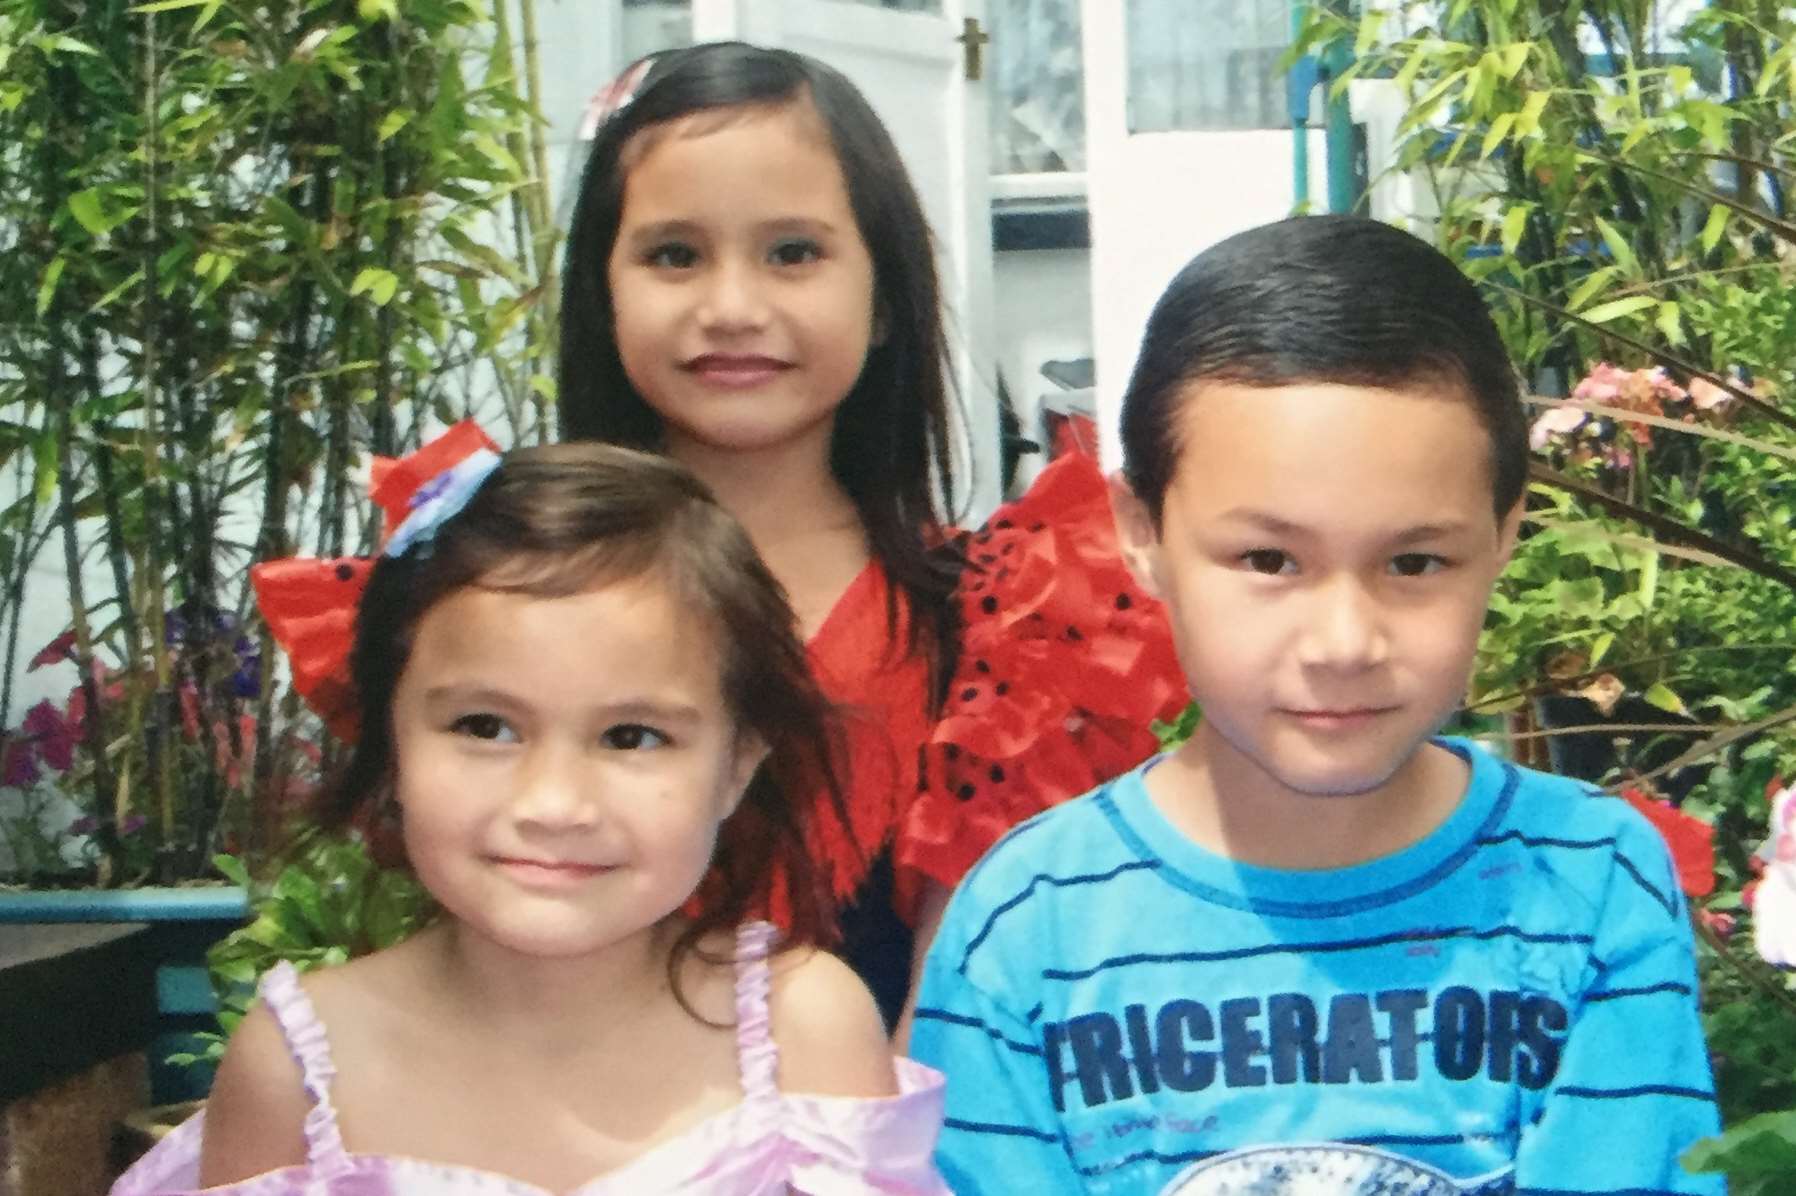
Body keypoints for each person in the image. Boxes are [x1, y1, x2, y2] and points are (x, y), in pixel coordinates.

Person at [908, 216, 1724, 1195]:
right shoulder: (1026, 921)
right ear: (1139, 531)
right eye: (1267, 560)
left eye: (1412, 561)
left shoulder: (1586, 883)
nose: (1343, 641)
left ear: (1502, 534)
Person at [112, 424, 950, 1195]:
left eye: (631, 736)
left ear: (737, 765)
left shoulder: (808, 1032)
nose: (554, 803)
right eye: (485, 726)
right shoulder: (300, 1068)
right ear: (389, 743)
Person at [558, 40, 1187, 1027]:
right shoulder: (504, 594)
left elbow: (968, 1018)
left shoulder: (1007, 629)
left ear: (885, 293)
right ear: (603, 290)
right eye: (673, 253)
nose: (731, 307)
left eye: (792, 252)